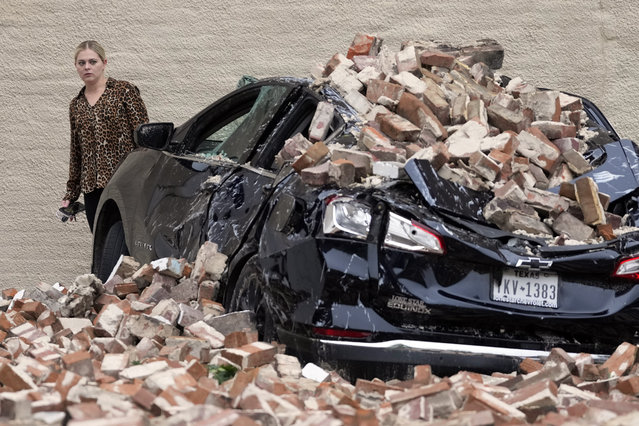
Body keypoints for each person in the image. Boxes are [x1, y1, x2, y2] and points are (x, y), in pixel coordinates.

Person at [61, 40, 148, 232]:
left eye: (93, 61)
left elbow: (144, 138)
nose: (87, 67)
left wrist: (143, 178)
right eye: (81, 63)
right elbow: (76, 151)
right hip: (92, 188)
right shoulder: (76, 105)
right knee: (103, 244)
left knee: (127, 242)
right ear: (76, 66)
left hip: (125, 182)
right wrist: (71, 193)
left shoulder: (124, 91)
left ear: (104, 63)